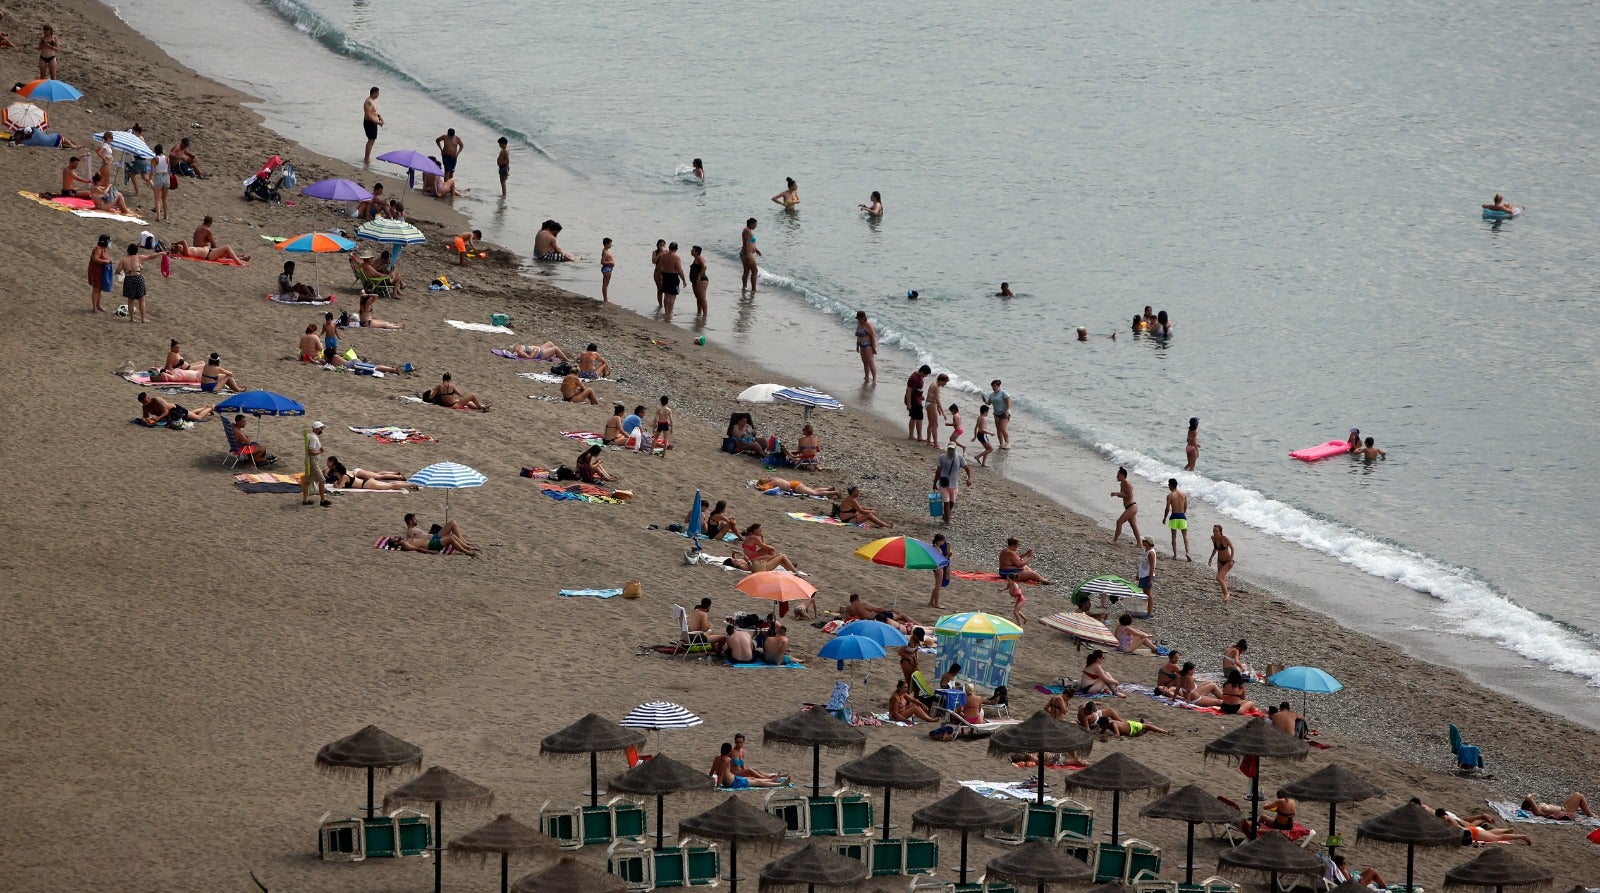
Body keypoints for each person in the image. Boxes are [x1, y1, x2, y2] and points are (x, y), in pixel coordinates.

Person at [116, 243, 160, 323]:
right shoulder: (138, 257)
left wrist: (122, 272)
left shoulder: (123, 260)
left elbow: (118, 271)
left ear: (128, 251)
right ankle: (143, 319)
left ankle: (132, 319)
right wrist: (161, 253)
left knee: (130, 300)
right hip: (138, 278)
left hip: (129, 278)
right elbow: (150, 257)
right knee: (142, 299)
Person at [1439, 809, 1533, 845]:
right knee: (1491, 833)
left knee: (1497, 838)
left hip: (1472, 833)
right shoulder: (1448, 818)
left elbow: (1459, 828)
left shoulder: (1449, 820)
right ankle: (1508, 830)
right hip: (1472, 831)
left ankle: (1522, 837)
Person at [712, 743, 784, 789]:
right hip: (733, 782)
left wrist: (708, 780)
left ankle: (772, 780)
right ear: (728, 751)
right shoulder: (726, 760)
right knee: (758, 782)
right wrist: (718, 786)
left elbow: (712, 771)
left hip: (733, 779)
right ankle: (780, 784)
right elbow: (721, 774)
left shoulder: (717, 758)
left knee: (752, 778)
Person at [934, 445, 971, 526]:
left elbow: (967, 468)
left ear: (955, 449)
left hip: (954, 484)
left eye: (952, 449)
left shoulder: (960, 458)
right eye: (949, 449)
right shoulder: (942, 457)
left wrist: (969, 478)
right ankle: (948, 520)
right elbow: (938, 471)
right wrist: (935, 482)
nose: (951, 451)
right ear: (947, 449)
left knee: (952, 502)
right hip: (943, 483)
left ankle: (946, 516)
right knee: (946, 502)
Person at [137, 392, 214, 427]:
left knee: (197, 418)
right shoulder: (145, 406)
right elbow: (145, 417)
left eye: (146, 402)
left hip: (175, 410)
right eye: (143, 403)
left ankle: (211, 408)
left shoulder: (157, 400)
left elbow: (166, 411)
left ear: (149, 398)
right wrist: (145, 420)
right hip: (169, 414)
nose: (145, 404)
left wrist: (157, 419)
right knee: (190, 414)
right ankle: (205, 409)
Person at [423, 373, 489, 411]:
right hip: (454, 404)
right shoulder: (452, 386)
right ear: (449, 379)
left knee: (469, 402)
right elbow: (460, 394)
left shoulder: (439, 387)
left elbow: (431, 397)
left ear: (443, 379)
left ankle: (480, 407)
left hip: (447, 404)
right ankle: (480, 407)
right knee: (472, 396)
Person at [1111, 466, 1141, 545]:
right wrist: (1117, 494)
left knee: (1119, 522)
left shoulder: (1127, 484)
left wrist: (1117, 493)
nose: (1117, 476)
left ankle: (1114, 540)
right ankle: (1139, 543)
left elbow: (1129, 496)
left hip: (1132, 507)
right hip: (1128, 507)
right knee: (1133, 525)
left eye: (1118, 475)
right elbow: (1122, 495)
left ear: (1123, 475)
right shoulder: (1122, 484)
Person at [656, 242, 686, 315]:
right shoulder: (676, 257)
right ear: (676, 249)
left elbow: (658, 267)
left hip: (665, 275)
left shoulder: (663, 256)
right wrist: (684, 280)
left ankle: (666, 312)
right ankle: (670, 313)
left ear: (669, 248)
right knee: (672, 296)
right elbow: (680, 270)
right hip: (673, 276)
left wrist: (660, 275)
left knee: (666, 295)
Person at [1207, 525, 1235, 603]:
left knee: (1218, 577)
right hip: (1220, 560)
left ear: (1220, 531)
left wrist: (1231, 559)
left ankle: (1226, 594)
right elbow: (1215, 549)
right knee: (1222, 578)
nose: (1214, 532)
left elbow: (1232, 548)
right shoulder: (1213, 538)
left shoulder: (1224, 538)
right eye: (1214, 530)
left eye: (1216, 531)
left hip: (1227, 561)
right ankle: (1225, 597)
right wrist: (1211, 558)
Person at [87, 234, 112, 313]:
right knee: (96, 289)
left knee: (99, 289)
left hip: (101, 271)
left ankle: (98, 305)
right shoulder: (98, 249)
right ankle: (94, 307)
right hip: (96, 271)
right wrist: (105, 261)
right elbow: (95, 259)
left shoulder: (103, 249)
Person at [1521, 792, 1593, 820]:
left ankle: (1587, 812)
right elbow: (1529, 798)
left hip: (1563, 807)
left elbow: (1529, 799)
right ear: (1530, 807)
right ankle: (1590, 814)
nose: (1534, 800)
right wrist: (1530, 795)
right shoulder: (1537, 811)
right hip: (1565, 811)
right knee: (1580, 796)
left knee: (1576, 794)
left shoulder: (1538, 807)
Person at [852, 310, 879, 384]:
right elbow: (858, 336)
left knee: (870, 362)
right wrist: (857, 346)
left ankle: (874, 378)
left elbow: (873, 337)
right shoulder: (859, 323)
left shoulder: (868, 325)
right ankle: (866, 377)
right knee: (865, 362)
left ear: (864, 317)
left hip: (868, 346)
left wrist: (874, 348)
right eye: (858, 318)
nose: (859, 320)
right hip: (861, 345)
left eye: (860, 318)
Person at [983, 380, 1011, 450]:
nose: (993, 387)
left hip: (1004, 413)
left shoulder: (1003, 393)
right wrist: (985, 401)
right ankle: (1001, 444)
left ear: (998, 386)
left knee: (1003, 429)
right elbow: (989, 403)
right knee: (998, 429)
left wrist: (1007, 411)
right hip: (996, 414)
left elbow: (1008, 403)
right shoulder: (992, 394)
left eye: (994, 386)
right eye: (992, 386)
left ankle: (1007, 443)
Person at [168, 240, 248, 264]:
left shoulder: (186, 250)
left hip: (209, 252)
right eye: (179, 247)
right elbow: (183, 241)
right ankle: (238, 261)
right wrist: (176, 243)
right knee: (227, 247)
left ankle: (240, 259)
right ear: (179, 250)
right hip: (209, 255)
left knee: (226, 252)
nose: (181, 246)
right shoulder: (185, 252)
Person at [905, 364, 929, 441]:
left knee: (913, 417)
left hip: (917, 399)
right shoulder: (914, 378)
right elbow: (908, 390)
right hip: (914, 401)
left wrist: (921, 396)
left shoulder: (918, 377)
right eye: (925, 374)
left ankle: (911, 435)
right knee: (919, 418)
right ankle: (919, 436)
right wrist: (909, 404)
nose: (925, 376)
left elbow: (916, 390)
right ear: (922, 371)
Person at [755, 477, 840, 498]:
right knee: (812, 490)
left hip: (795, 487)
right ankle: (828, 489)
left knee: (815, 493)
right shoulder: (774, 478)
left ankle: (835, 492)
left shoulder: (772, 483)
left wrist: (758, 486)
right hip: (795, 483)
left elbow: (763, 488)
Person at [1135, 537, 1157, 614]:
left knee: (1148, 593)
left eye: (1144, 541)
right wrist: (1138, 574)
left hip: (1147, 575)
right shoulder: (1145, 551)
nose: (1142, 542)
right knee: (1145, 592)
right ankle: (1146, 609)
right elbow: (1141, 564)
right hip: (1143, 574)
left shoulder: (1150, 553)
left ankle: (1149, 612)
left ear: (1148, 542)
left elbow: (1152, 566)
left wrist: (1150, 579)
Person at [924, 374, 948, 447]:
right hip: (931, 404)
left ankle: (928, 441)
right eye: (945, 382)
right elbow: (937, 400)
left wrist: (937, 407)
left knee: (931, 424)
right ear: (941, 380)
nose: (945, 384)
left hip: (928, 403)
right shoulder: (936, 387)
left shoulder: (933, 384)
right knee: (935, 425)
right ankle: (936, 444)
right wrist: (943, 412)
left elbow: (933, 397)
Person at [929, 534, 952, 608]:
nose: (944, 542)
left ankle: (931, 602)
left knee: (936, 586)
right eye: (943, 541)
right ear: (939, 541)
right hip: (939, 569)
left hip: (937, 568)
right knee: (938, 587)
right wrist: (948, 556)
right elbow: (940, 560)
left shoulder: (935, 548)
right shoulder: (937, 549)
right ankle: (936, 603)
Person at [362, 87, 383, 164]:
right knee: (371, 140)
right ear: (374, 93)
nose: (378, 95)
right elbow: (368, 115)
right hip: (369, 123)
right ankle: (366, 158)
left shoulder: (373, 101)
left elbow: (373, 112)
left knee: (372, 140)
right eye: (377, 93)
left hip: (373, 122)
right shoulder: (369, 102)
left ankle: (367, 157)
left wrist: (378, 116)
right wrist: (377, 122)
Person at [1096, 716, 1169, 737]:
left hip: (1131, 727)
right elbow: (1101, 732)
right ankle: (1141, 728)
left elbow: (1117, 734)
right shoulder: (1106, 725)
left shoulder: (1113, 724)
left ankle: (1164, 731)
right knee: (1144, 727)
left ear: (1104, 724)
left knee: (1147, 726)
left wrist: (1109, 737)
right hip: (1129, 726)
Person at [740, 218, 761, 291]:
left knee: (746, 270)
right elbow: (746, 243)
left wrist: (756, 249)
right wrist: (748, 255)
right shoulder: (746, 231)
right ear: (751, 224)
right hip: (747, 253)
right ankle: (753, 289)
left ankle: (744, 287)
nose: (756, 226)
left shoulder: (748, 231)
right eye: (755, 224)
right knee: (755, 270)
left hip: (746, 253)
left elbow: (751, 242)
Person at [688, 245, 709, 316]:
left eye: (693, 250)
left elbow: (705, 266)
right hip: (695, 281)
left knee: (702, 298)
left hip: (701, 280)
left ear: (697, 252)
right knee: (698, 297)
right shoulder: (696, 258)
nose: (691, 251)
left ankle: (705, 315)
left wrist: (699, 276)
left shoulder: (699, 258)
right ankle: (699, 313)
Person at [598, 237, 615, 302]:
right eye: (610, 244)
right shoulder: (605, 252)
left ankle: (606, 298)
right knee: (605, 284)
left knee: (606, 284)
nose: (611, 245)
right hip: (606, 269)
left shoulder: (607, 250)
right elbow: (602, 262)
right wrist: (610, 262)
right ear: (606, 244)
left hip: (609, 268)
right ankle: (605, 299)